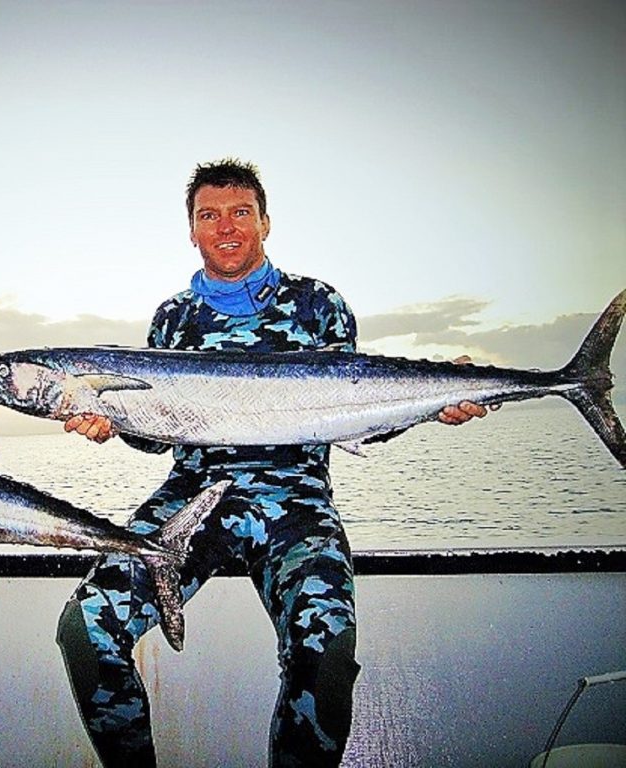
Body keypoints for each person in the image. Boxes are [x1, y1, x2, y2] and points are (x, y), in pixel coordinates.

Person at [55, 159, 485, 767]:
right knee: (85, 629)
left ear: (265, 221)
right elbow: (158, 437)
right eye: (210, 215)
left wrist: (433, 401)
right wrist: (114, 425)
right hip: (195, 497)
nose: (225, 227)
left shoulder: (317, 303)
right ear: (192, 230)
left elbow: (359, 412)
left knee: (327, 648)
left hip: (297, 502)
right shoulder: (173, 319)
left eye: (240, 213)